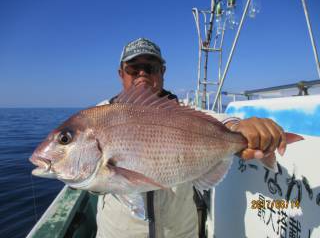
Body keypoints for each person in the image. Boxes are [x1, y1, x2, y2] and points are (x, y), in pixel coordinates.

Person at [96, 38, 287, 238]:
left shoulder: (181, 113)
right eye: (134, 69)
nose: (142, 74)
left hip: (181, 232)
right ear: (121, 74)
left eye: (150, 68)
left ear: (162, 72)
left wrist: (238, 127)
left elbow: (220, 121)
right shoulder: (99, 115)